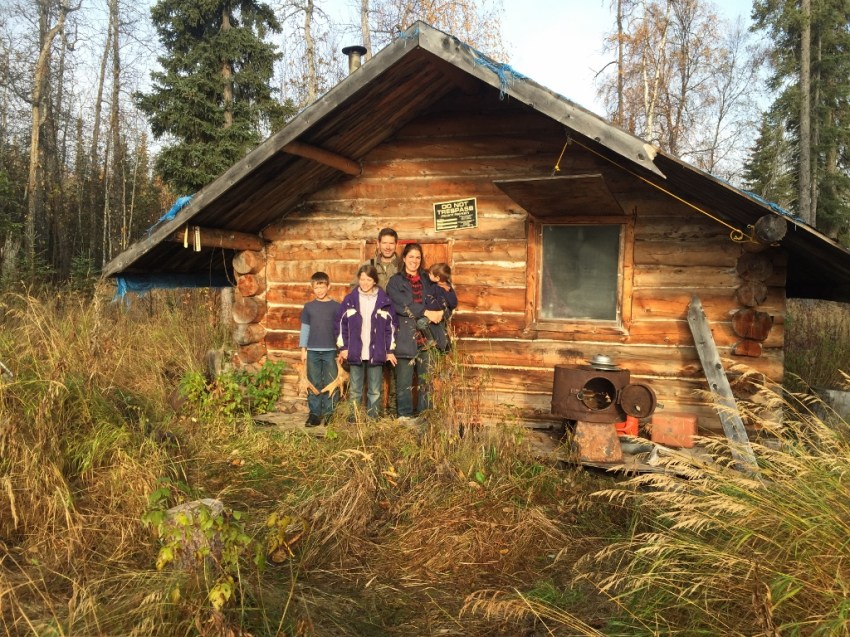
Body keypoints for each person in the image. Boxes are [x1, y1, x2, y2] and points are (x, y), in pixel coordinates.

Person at [386, 243, 446, 420]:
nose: (414, 260)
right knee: (404, 382)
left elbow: (447, 298)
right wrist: (426, 312)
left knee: (425, 381)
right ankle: (404, 418)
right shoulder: (395, 282)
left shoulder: (429, 279)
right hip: (405, 336)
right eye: (411, 256)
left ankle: (424, 417)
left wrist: (442, 312)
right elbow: (401, 305)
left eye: (418, 257)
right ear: (403, 258)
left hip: (429, 338)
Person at [336, 265, 398, 419]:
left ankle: (373, 420)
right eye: (362, 279)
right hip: (355, 351)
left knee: (375, 390)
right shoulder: (350, 300)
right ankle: (354, 419)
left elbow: (391, 327)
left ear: (374, 281)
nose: (364, 282)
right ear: (359, 279)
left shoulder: (384, 301)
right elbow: (340, 325)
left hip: (376, 352)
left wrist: (389, 351)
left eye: (368, 279)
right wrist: (343, 348)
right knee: (356, 389)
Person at [299, 272, 341, 427]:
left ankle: (330, 413)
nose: (320, 290)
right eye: (317, 287)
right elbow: (305, 329)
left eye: (322, 287)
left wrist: (340, 350)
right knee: (314, 381)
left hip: (331, 350)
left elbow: (340, 329)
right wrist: (303, 349)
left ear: (328, 286)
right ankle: (315, 414)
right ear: (312, 288)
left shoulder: (336, 306)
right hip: (313, 350)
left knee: (331, 381)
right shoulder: (309, 307)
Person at [416, 262, 457, 350]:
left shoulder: (445, 289)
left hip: (437, 315)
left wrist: (448, 293)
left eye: (430, 274)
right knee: (437, 329)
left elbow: (453, 303)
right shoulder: (435, 286)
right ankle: (439, 343)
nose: (428, 275)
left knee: (421, 323)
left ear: (437, 278)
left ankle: (432, 341)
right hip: (433, 315)